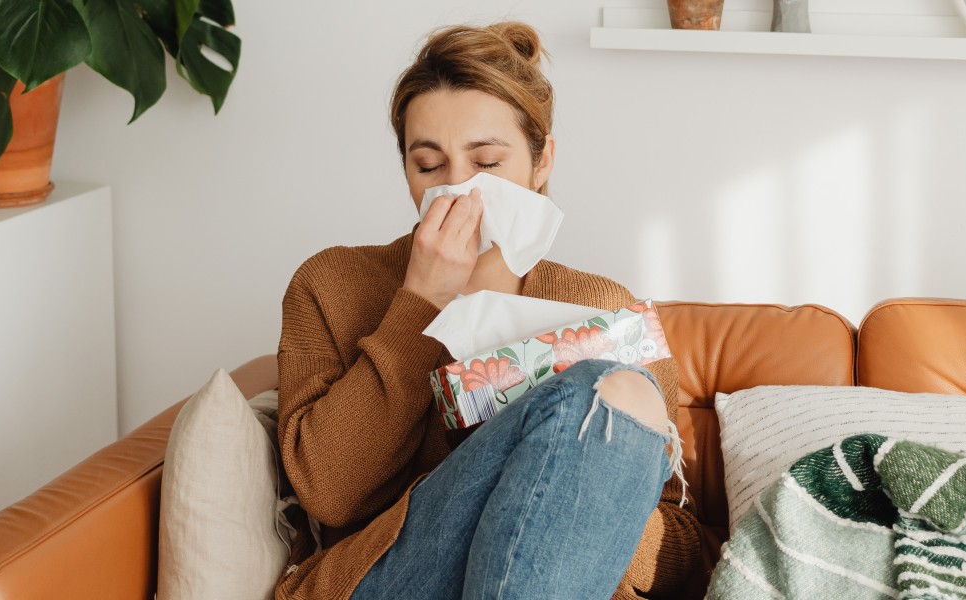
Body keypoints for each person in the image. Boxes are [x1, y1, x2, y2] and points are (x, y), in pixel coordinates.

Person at [275, 21, 701, 600]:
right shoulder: (332, 284)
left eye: (486, 164)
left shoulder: (603, 311)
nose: (459, 191)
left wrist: (573, 483)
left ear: (541, 162)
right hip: (386, 580)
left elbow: (682, 548)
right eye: (429, 166)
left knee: (605, 391)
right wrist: (421, 305)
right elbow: (329, 493)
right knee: (606, 391)